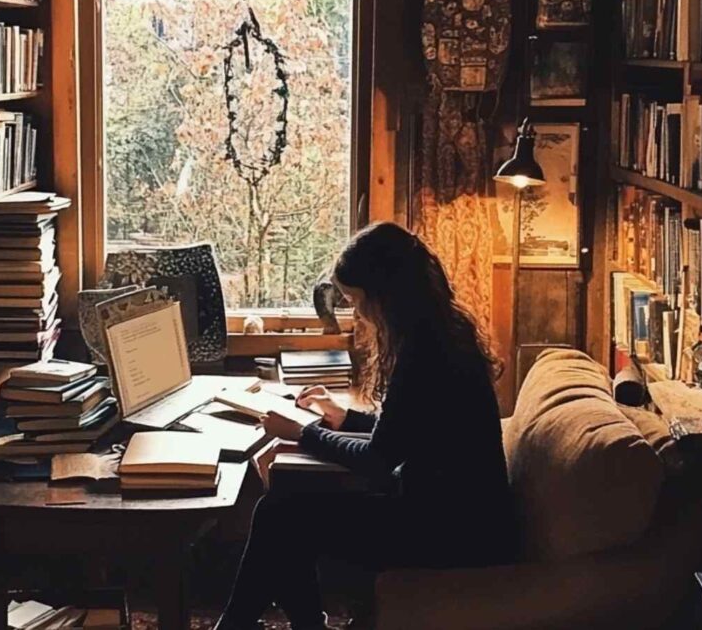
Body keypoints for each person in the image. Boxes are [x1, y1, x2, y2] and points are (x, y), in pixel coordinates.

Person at [216, 222, 517, 630]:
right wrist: (344, 418)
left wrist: (304, 432)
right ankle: (271, 624)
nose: (357, 313)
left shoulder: (425, 353)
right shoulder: (444, 333)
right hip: (458, 516)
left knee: (280, 515)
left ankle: (245, 624)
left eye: (358, 300)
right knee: (284, 508)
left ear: (386, 296)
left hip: (451, 535)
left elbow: (379, 458)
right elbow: (408, 431)